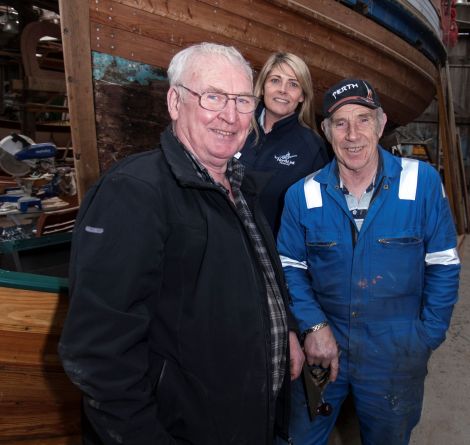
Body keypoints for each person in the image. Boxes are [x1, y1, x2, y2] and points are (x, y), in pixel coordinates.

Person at [58, 42, 304, 445]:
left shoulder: (238, 187)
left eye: (243, 100)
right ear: (175, 101)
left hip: (244, 420)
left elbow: (258, 277)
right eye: (213, 97)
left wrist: (285, 330)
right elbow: (98, 356)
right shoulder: (134, 194)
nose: (230, 115)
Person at [277, 78, 460, 444]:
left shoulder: (421, 183)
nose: (352, 134)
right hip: (324, 346)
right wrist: (312, 326)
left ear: (380, 123)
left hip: (395, 350)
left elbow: (443, 264)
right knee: (298, 437)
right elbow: (289, 266)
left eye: (363, 119)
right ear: (327, 132)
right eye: (341, 123)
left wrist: (426, 335)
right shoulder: (303, 194)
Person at [238, 52, 329, 236]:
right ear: (263, 87)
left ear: (302, 96)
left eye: (293, 84)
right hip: (218, 243)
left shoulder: (312, 148)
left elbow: (319, 219)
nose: (283, 90)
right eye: (275, 80)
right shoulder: (236, 125)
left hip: (268, 256)